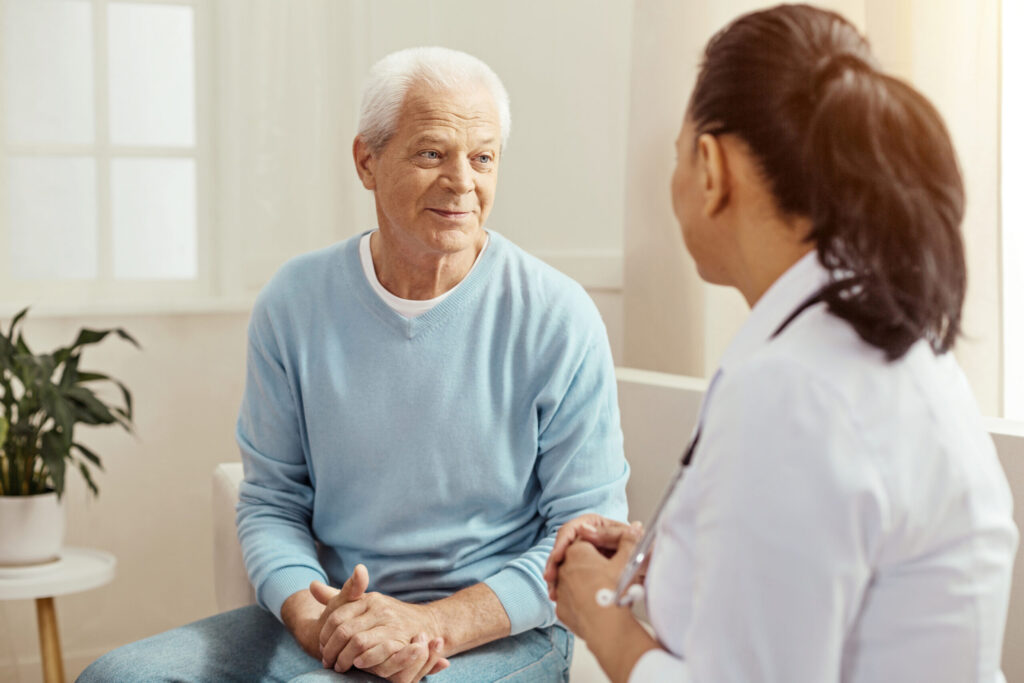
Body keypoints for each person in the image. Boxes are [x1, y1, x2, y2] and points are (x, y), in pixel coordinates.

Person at [78, 47, 628, 683]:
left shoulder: (558, 315)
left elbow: (585, 539)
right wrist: (316, 619)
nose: (461, 181)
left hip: (495, 634)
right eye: (431, 153)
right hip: (337, 614)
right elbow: (273, 501)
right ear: (367, 160)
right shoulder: (294, 301)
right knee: (116, 677)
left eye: (482, 157)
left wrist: (433, 623)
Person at [545, 5, 1018, 682]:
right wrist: (664, 557)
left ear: (711, 169)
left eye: (676, 154)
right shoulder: (873, 341)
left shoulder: (794, 391)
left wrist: (601, 617)